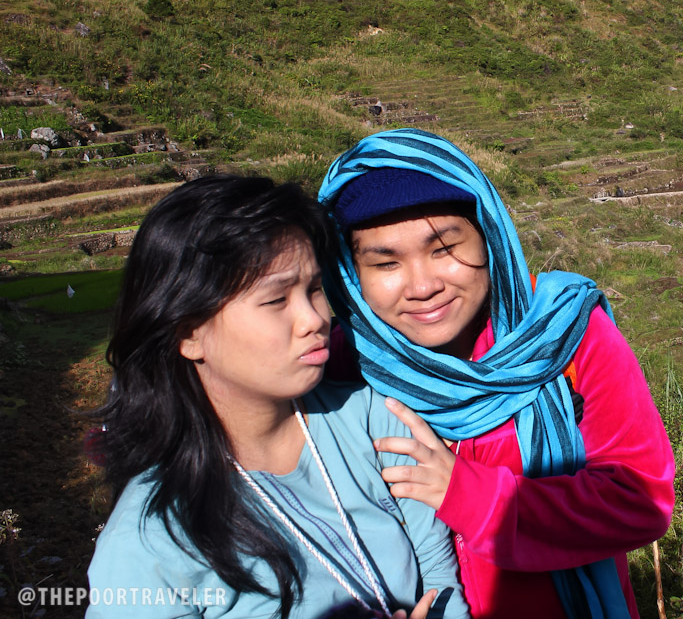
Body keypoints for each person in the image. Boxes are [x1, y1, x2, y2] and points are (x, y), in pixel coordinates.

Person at [318, 128, 675, 619]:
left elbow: (640, 500)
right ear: (351, 275)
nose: (422, 286)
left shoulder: (564, 334)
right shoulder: (343, 363)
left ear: (490, 237)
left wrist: (468, 496)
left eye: (444, 248)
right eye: (386, 263)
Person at [86, 175, 469, 619]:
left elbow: (440, 580)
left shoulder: (374, 419)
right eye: (275, 300)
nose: (314, 319)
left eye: (313, 289)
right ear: (189, 334)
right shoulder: (150, 539)